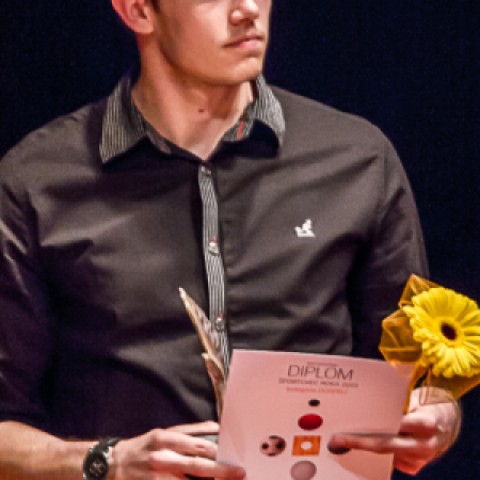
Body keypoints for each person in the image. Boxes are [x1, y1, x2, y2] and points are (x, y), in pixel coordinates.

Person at [0, 0, 460, 479]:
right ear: (137, 11)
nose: (247, 9)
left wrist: (437, 418)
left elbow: (423, 377)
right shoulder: (39, 181)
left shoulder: (358, 159)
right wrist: (107, 462)